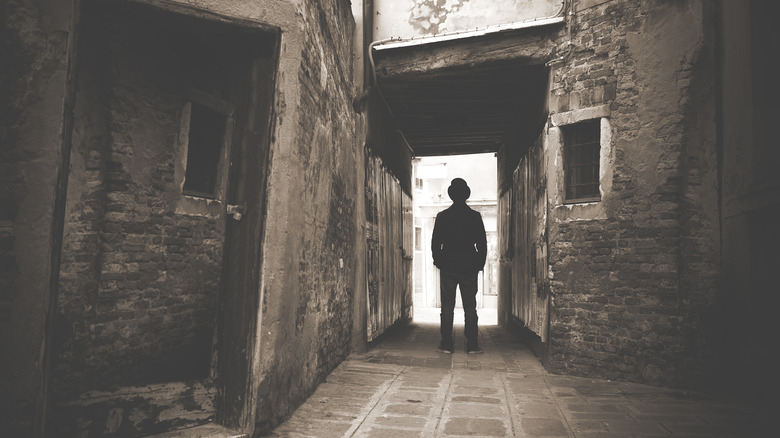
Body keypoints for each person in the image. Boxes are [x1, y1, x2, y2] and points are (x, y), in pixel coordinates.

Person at [431, 178, 487, 354]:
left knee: (447, 307)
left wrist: (439, 262)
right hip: (469, 267)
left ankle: (447, 343)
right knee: (470, 307)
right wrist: (478, 264)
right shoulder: (475, 217)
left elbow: (435, 244)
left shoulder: (442, 217)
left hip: (448, 266)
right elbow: (482, 245)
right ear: (466, 195)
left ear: (451, 195)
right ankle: (472, 344)